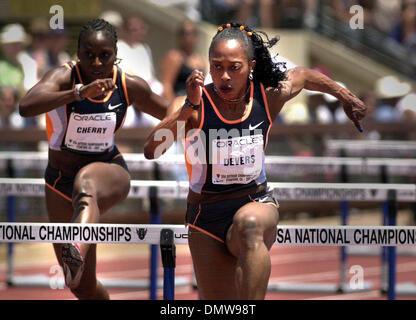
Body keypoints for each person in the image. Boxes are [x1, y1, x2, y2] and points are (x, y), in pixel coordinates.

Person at [143, 22, 366, 299]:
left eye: (234, 67)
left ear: (250, 67)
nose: (224, 76)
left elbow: (303, 76)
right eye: (216, 66)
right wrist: (187, 108)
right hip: (205, 214)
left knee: (249, 224)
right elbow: (152, 151)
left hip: (254, 202)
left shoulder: (267, 97)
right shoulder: (191, 105)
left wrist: (344, 95)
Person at [19, 18, 168, 300]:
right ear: (78, 53)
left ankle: (76, 244)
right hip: (59, 183)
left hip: (108, 171)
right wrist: (77, 93)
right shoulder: (64, 77)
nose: (97, 63)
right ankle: (79, 252)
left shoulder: (128, 85)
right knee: (81, 287)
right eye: (89, 54)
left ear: (116, 54)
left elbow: (171, 112)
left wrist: (188, 111)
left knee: (86, 183)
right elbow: (26, 106)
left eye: (105, 56)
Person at [161, 20, 206, 103]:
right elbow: (167, 86)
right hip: (179, 103)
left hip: (196, 105)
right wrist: (173, 108)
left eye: (192, 33)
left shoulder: (201, 60)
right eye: (184, 33)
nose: (188, 37)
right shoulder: (174, 57)